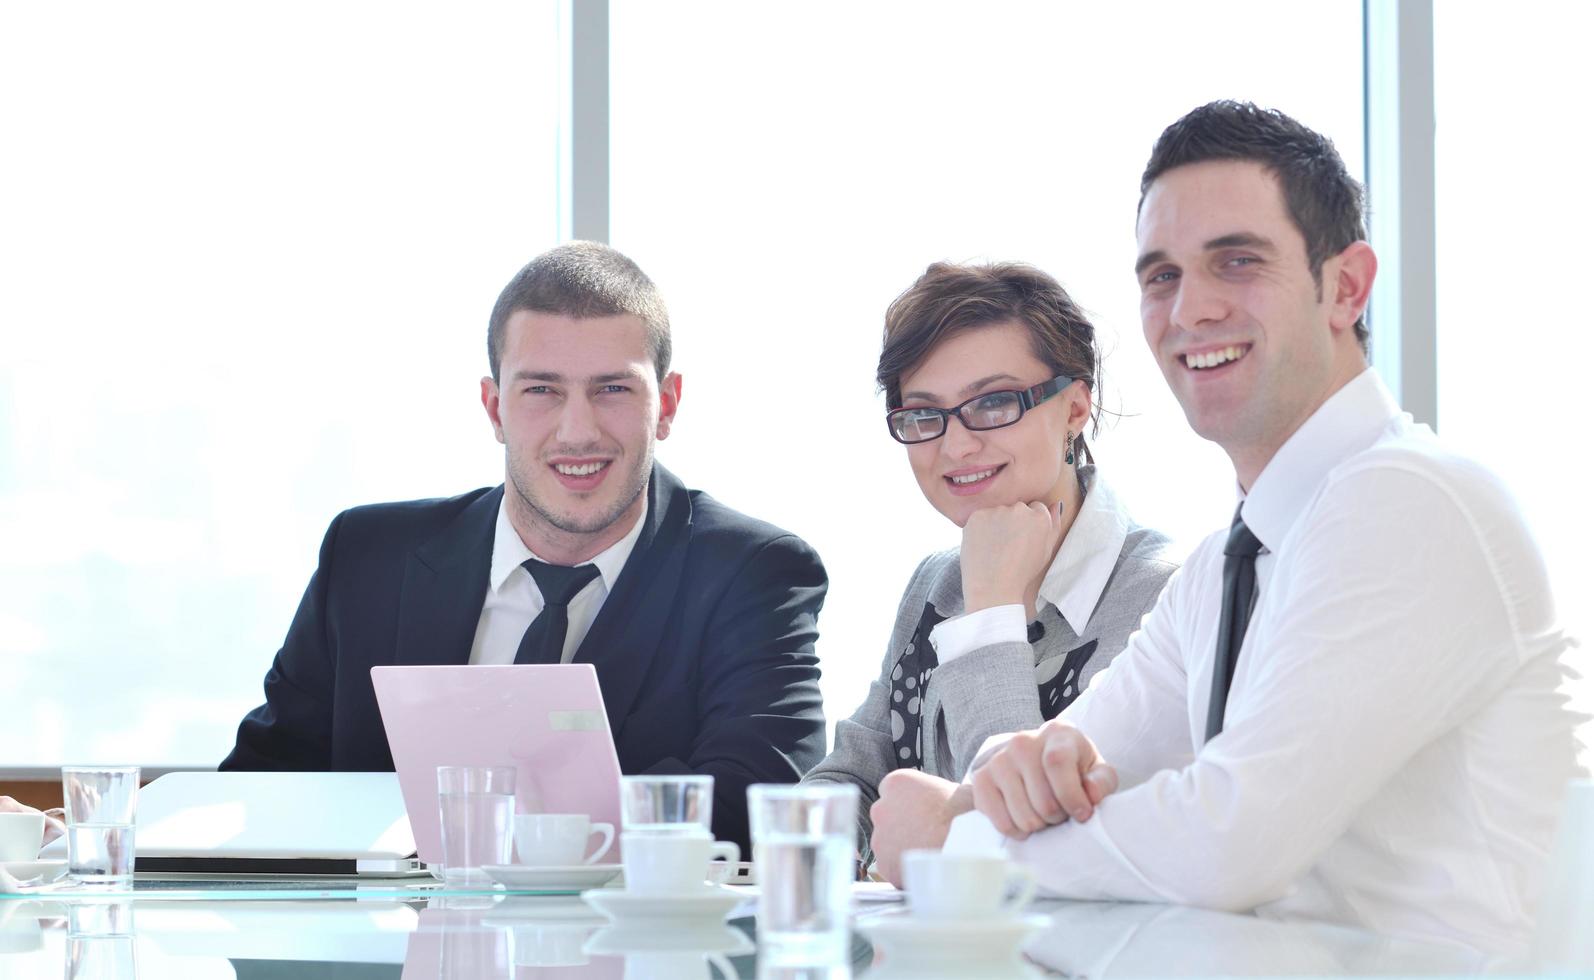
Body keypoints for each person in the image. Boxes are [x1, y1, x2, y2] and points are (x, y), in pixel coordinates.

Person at [878, 101, 1585, 949]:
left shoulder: (1410, 501)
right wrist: (1005, 789)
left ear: (1347, 286)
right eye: (1161, 276)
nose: (1190, 310)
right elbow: (1047, 760)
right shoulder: (1230, 561)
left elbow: (1227, 841)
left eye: (1236, 261)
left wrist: (959, 840)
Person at [221, 242, 829, 853]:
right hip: (383, 941)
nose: (578, 431)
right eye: (542, 390)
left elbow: (760, 808)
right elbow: (264, 787)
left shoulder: (754, 572)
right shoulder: (366, 559)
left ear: (665, 405)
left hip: (632, 945)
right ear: (494, 408)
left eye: (613, 389)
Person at [802, 262, 1177, 880]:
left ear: (1076, 407)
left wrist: (994, 607)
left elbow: (1026, 838)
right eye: (925, 414)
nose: (955, 446)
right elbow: (846, 780)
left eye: (994, 403)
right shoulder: (936, 582)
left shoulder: (1160, 592)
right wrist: (869, 855)